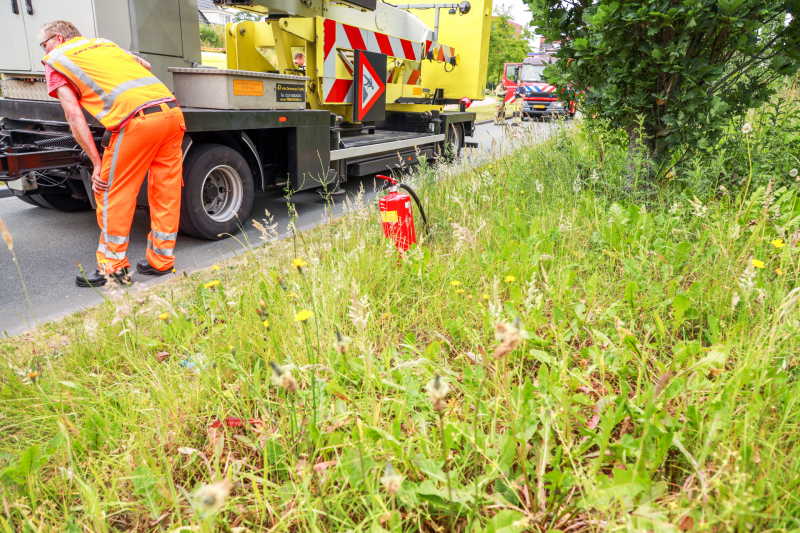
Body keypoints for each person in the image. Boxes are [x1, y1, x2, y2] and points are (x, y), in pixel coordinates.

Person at [40, 20, 185, 287]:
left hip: (136, 122)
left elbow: (73, 114)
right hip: (171, 112)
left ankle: (113, 269)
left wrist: (96, 162)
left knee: (110, 190)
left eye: (44, 43)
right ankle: (161, 261)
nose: (44, 49)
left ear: (58, 38)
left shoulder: (56, 59)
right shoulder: (104, 44)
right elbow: (146, 67)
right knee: (166, 189)